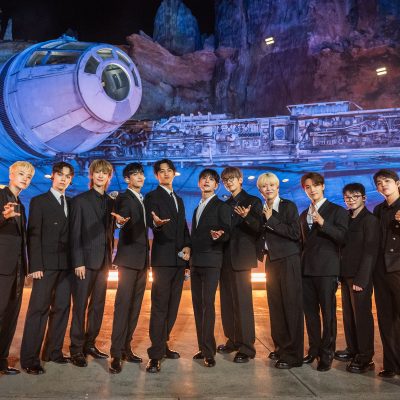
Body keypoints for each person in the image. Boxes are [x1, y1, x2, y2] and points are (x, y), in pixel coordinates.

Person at [20, 162, 74, 375]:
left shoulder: (71, 202)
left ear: (70, 180)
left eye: (67, 176)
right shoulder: (39, 201)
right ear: (52, 176)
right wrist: (35, 265)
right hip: (45, 266)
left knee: (62, 308)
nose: (63, 179)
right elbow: (33, 235)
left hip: (66, 266)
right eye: (60, 175)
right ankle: (29, 359)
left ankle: (53, 352)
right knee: (38, 310)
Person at [69, 159, 119, 367]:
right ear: (91, 175)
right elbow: (74, 233)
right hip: (85, 263)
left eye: (104, 173)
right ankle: (76, 349)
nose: (100, 176)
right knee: (80, 306)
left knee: (98, 306)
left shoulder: (111, 202)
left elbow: (110, 231)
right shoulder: (79, 201)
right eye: (97, 172)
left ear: (108, 177)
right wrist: (78, 262)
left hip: (103, 262)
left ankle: (90, 344)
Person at [144, 159, 191, 373]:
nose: (165, 174)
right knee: (160, 306)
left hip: (179, 260)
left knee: (173, 307)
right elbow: (150, 221)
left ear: (174, 173)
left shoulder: (178, 199)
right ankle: (155, 355)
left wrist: (188, 248)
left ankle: (163, 345)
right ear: (156, 175)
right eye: (161, 171)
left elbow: (183, 229)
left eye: (169, 171)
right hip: (163, 260)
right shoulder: (152, 197)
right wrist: (156, 224)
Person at [300, 172, 348, 372]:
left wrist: (323, 223)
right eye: (307, 187)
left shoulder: (337, 211)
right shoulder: (303, 214)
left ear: (323, 186)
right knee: (310, 314)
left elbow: (343, 237)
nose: (312, 190)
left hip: (327, 270)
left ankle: (327, 355)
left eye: (315, 185)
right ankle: (313, 350)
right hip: (306, 270)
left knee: (328, 314)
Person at [257, 172, 303, 369]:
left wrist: (271, 219)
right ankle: (282, 348)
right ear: (260, 190)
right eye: (264, 186)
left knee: (291, 307)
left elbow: (294, 233)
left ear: (277, 187)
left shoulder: (287, 206)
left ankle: (294, 355)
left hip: (288, 260)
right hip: (272, 260)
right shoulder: (262, 209)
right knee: (275, 306)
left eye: (271, 185)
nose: (268, 189)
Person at [217, 166, 262, 363]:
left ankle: (247, 347)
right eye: (225, 180)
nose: (229, 182)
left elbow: (260, 227)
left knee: (243, 304)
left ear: (240, 179)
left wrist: (246, 217)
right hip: (224, 258)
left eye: (232, 179)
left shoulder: (253, 201)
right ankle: (233, 340)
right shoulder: (225, 204)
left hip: (242, 258)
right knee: (227, 302)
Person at [334, 183, 378, 373]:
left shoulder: (370, 220)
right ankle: (353, 349)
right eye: (348, 197)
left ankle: (366, 357)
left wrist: (362, 279)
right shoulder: (347, 218)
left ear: (364, 198)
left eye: (355, 196)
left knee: (362, 316)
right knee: (349, 315)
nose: (351, 200)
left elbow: (370, 251)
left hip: (360, 277)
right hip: (346, 274)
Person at [109, 163, 148, 374]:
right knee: (123, 307)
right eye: (135, 174)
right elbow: (122, 215)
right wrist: (120, 223)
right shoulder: (124, 198)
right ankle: (116, 354)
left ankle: (126, 348)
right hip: (128, 261)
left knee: (135, 307)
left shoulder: (143, 199)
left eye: (141, 174)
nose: (140, 177)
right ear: (127, 179)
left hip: (142, 262)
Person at [191, 169, 231, 367]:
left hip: (212, 260)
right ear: (199, 183)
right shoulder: (197, 208)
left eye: (211, 179)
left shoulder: (221, 206)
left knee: (208, 304)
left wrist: (220, 235)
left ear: (217, 185)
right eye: (203, 179)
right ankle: (202, 346)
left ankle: (209, 352)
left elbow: (227, 231)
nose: (206, 181)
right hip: (196, 262)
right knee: (198, 306)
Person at [0, 161, 34, 375]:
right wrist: (3, 217)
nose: (25, 179)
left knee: (11, 316)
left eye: (29, 176)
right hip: (2, 267)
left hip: (17, 269)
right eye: (21, 174)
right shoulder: (1, 196)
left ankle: (2, 361)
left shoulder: (19, 204)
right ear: (11, 174)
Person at [372, 169, 400, 378]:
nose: (383, 185)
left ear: (397, 183)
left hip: (398, 268)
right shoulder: (378, 209)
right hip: (380, 269)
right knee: (385, 318)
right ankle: (391, 364)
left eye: (387, 181)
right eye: (379, 183)